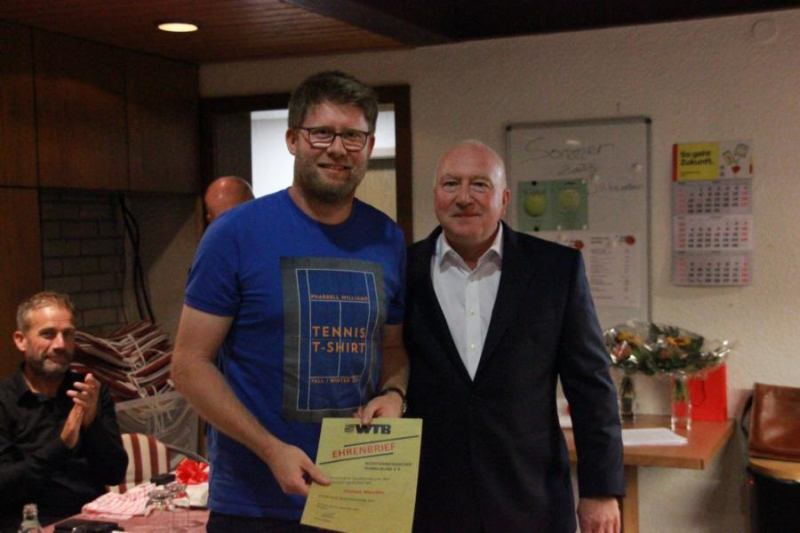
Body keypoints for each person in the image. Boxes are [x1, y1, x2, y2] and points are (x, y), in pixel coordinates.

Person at [172, 70, 408, 532]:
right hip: (255, 504)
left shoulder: (387, 238)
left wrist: (394, 393)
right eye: (321, 133)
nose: (337, 148)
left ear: (369, 145)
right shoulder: (234, 234)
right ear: (292, 139)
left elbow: (393, 347)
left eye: (353, 136)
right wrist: (269, 448)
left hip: (358, 493)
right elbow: (188, 365)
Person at [404, 141, 625, 533]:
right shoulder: (403, 270)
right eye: (451, 183)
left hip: (531, 499)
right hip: (430, 502)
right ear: (435, 194)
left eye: (480, 184)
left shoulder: (556, 270)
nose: (463, 197)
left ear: (504, 199)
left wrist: (600, 490)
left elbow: (591, 387)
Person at [0, 292, 128, 531]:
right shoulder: (5, 400)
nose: (60, 345)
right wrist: (61, 444)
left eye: (67, 334)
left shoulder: (89, 391)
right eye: (48, 334)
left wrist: (92, 424)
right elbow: (4, 486)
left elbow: (114, 473)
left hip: (92, 520)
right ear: (21, 340)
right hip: (30, 524)